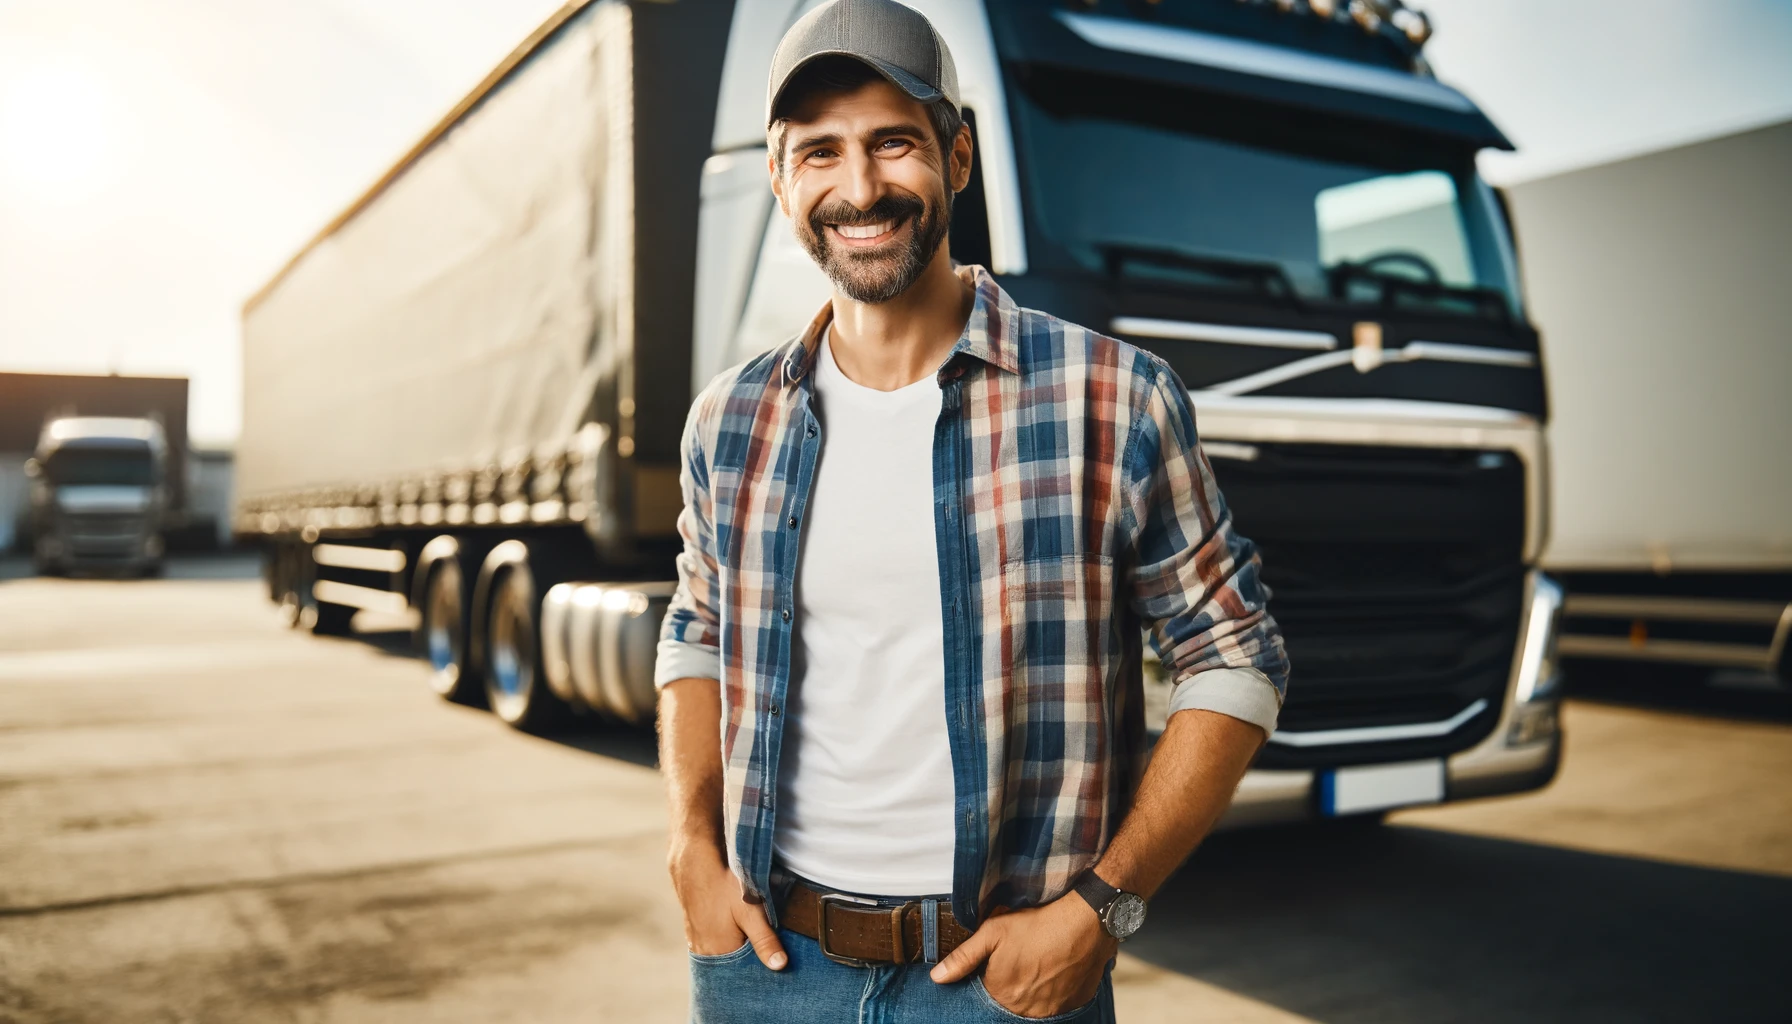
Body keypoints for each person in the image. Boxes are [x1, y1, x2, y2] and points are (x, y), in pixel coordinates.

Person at [655, 1, 1290, 1020]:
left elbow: (1238, 655)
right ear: (778, 180)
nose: (858, 189)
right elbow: (699, 627)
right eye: (818, 153)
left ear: (956, 157)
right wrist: (690, 845)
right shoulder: (730, 422)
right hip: (768, 971)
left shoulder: (1111, 399)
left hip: (1006, 986)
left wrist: (1103, 910)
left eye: (893, 143)